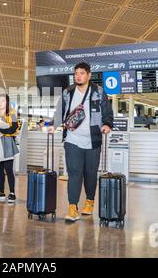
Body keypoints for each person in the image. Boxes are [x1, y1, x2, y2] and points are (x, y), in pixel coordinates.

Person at [49, 62, 113, 222]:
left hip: (93, 139)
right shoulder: (67, 92)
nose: (78, 76)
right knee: (74, 173)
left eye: (82, 73)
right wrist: (53, 125)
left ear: (89, 75)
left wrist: (107, 124)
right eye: (76, 73)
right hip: (72, 139)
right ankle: (72, 207)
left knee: (90, 174)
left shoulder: (98, 92)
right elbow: (59, 112)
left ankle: (89, 202)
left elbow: (107, 112)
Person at [0, 94, 20, 204]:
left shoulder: (12, 114)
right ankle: (1, 192)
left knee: (8, 169)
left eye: (3, 100)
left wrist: (0, 129)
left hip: (6, 143)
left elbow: (14, 129)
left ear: (7, 102)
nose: (0, 103)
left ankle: (12, 193)